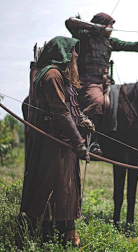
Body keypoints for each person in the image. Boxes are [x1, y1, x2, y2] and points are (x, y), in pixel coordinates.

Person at [20, 36, 94, 248]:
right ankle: (46, 236)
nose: (76, 56)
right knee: (55, 188)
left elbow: (71, 108)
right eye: (73, 51)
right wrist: (79, 142)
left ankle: (64, 233)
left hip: (64, 142)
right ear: (63, 53)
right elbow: (60, 112)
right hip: (54, 144)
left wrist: (83, 120)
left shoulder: (61, 76)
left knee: (66, 189)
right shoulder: (52, 75)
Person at [65, 12, 138, 154]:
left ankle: (112, 140)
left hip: (106, 82)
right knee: (97, 103)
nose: (112, 28)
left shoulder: (109, 42)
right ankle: (88, 140)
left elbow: (135, 46)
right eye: (110, 25)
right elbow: (70, 22)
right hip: (89, 81)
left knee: (124, 105)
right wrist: (96, 27)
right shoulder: (85, 36)